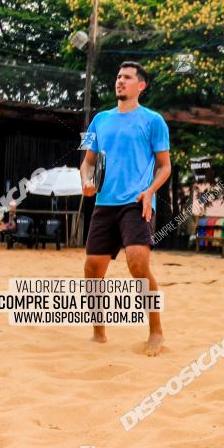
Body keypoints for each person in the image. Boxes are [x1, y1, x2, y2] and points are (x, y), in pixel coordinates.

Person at [80, 61, 171, 356]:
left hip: (136, 202)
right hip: (104, 203)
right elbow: (88, 161)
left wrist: (150, 192)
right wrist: (86, 181)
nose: (120, 81)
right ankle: (99, 333)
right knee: (93, 269)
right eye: (118, 77)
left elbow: (165, 166)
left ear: (140, 86)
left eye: (127, 78)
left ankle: (156, 332)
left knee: (138, 263)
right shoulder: (99, 120)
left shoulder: (154, 120)